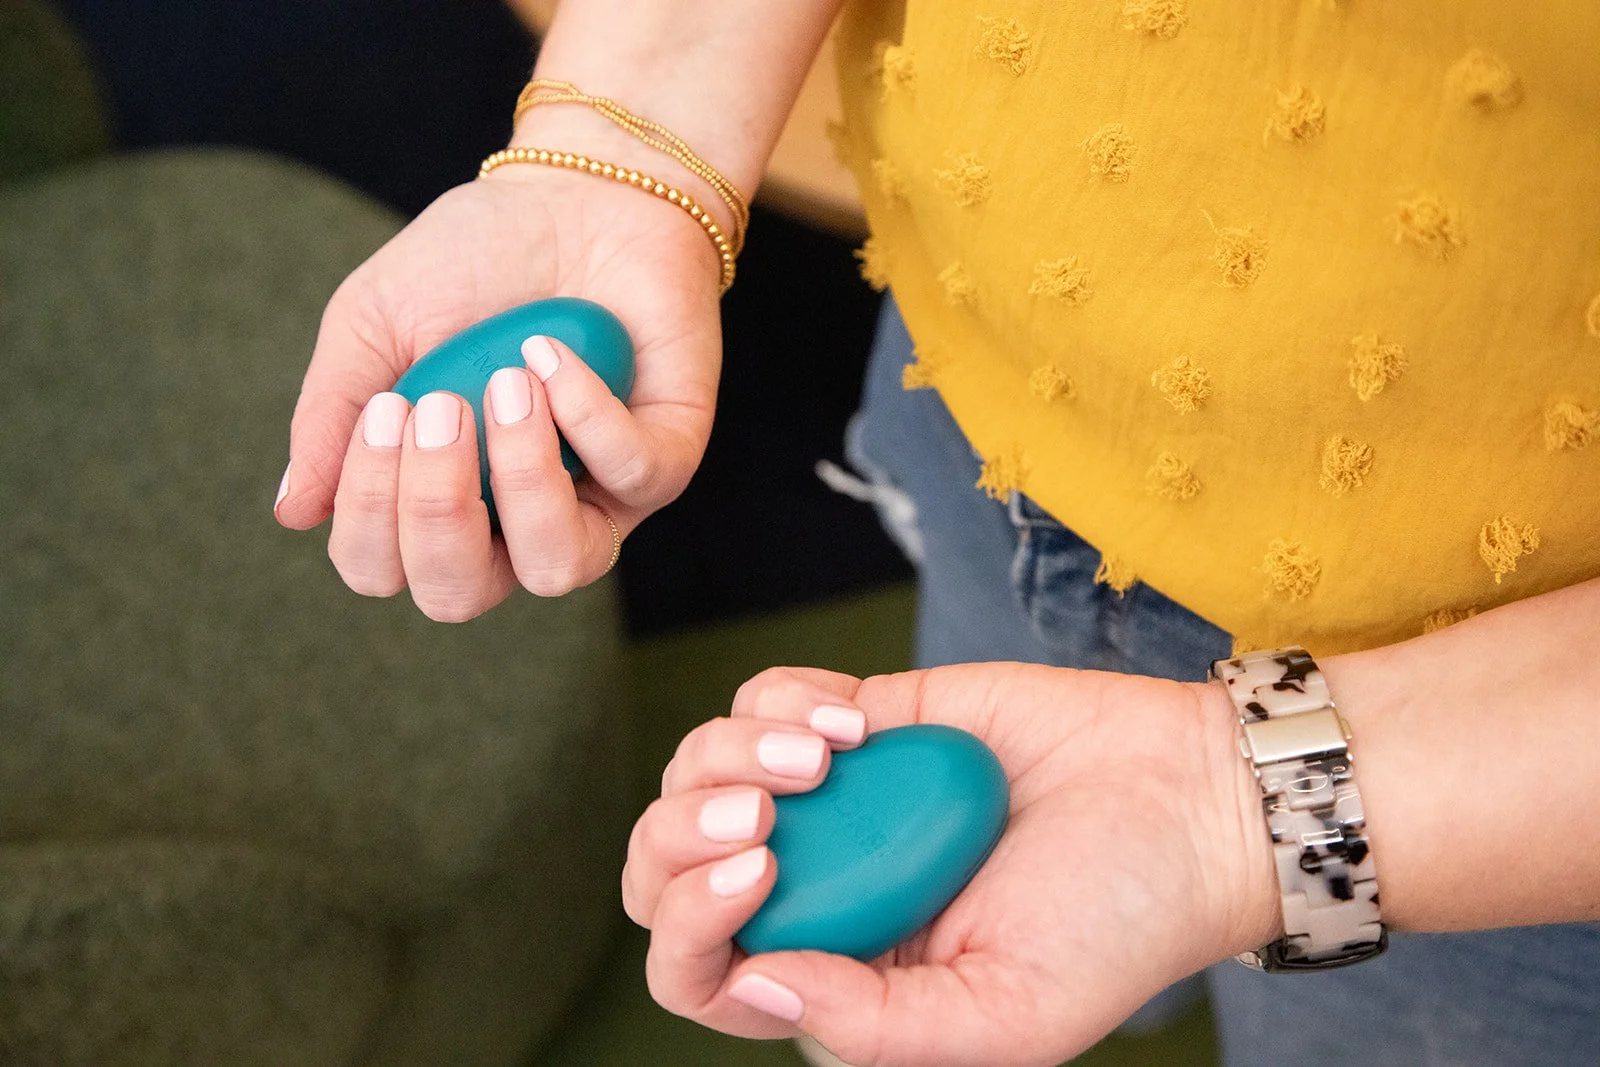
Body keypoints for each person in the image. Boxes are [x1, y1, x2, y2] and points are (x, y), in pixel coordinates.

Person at [275, 0, 1600, 1063]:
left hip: (1504, 748)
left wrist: (1233, 815)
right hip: (992, 424)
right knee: (970, 928)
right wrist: (623, 157)